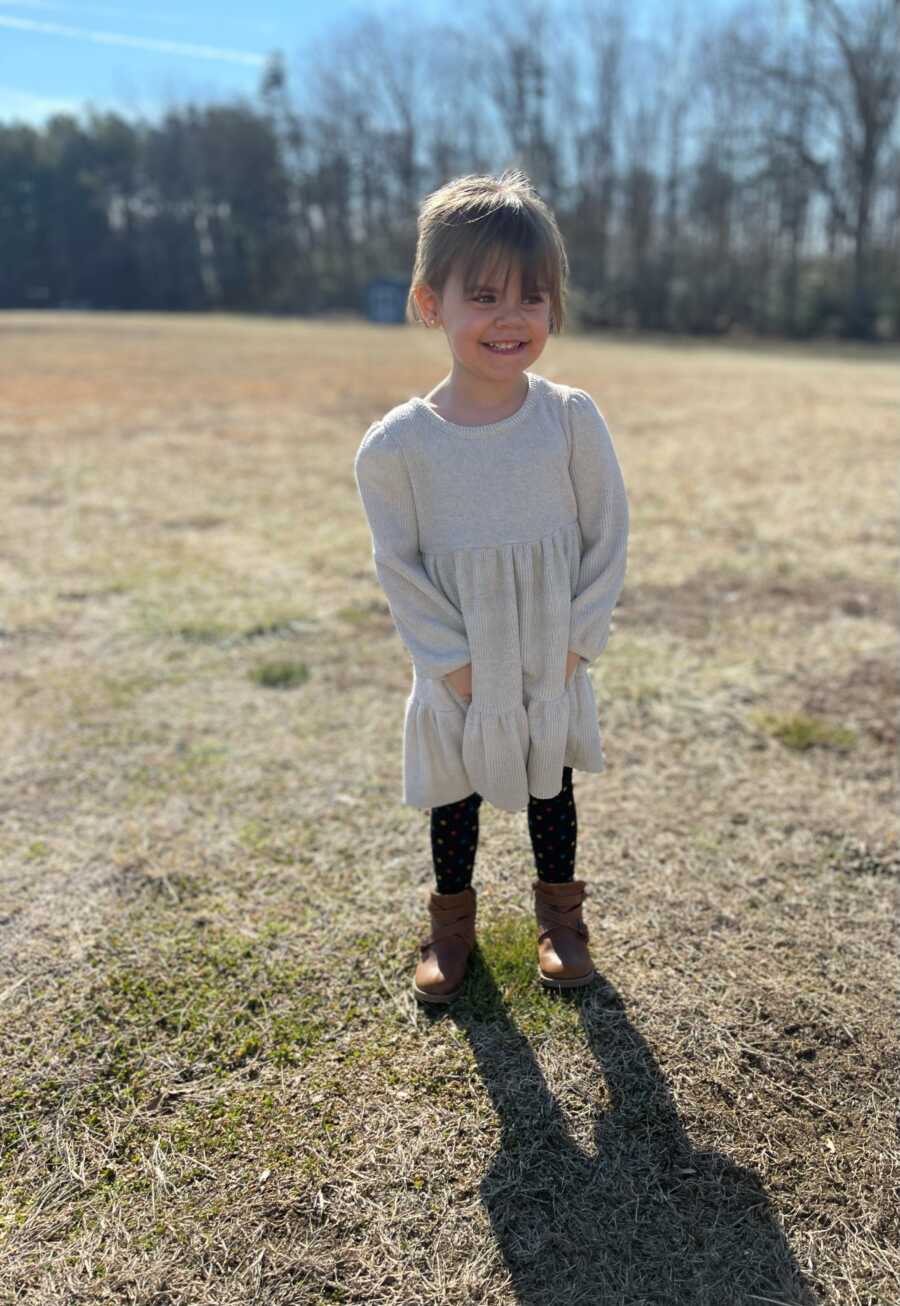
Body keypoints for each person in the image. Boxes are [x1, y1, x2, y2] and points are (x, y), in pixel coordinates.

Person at [353, 169, 630, 1005]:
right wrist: (456, 668)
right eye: (484, 296)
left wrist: (577, 644)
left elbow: (606, 537)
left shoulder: (571, 418)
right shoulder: (397, 447)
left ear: (555, 307)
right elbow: (398, 568)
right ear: (430, 302)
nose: (511, 319)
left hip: (553, 654)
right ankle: (451, 924)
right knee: (456, 796)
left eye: (533, 298)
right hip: (460, 666)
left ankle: (560, 918)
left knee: (552, 783)